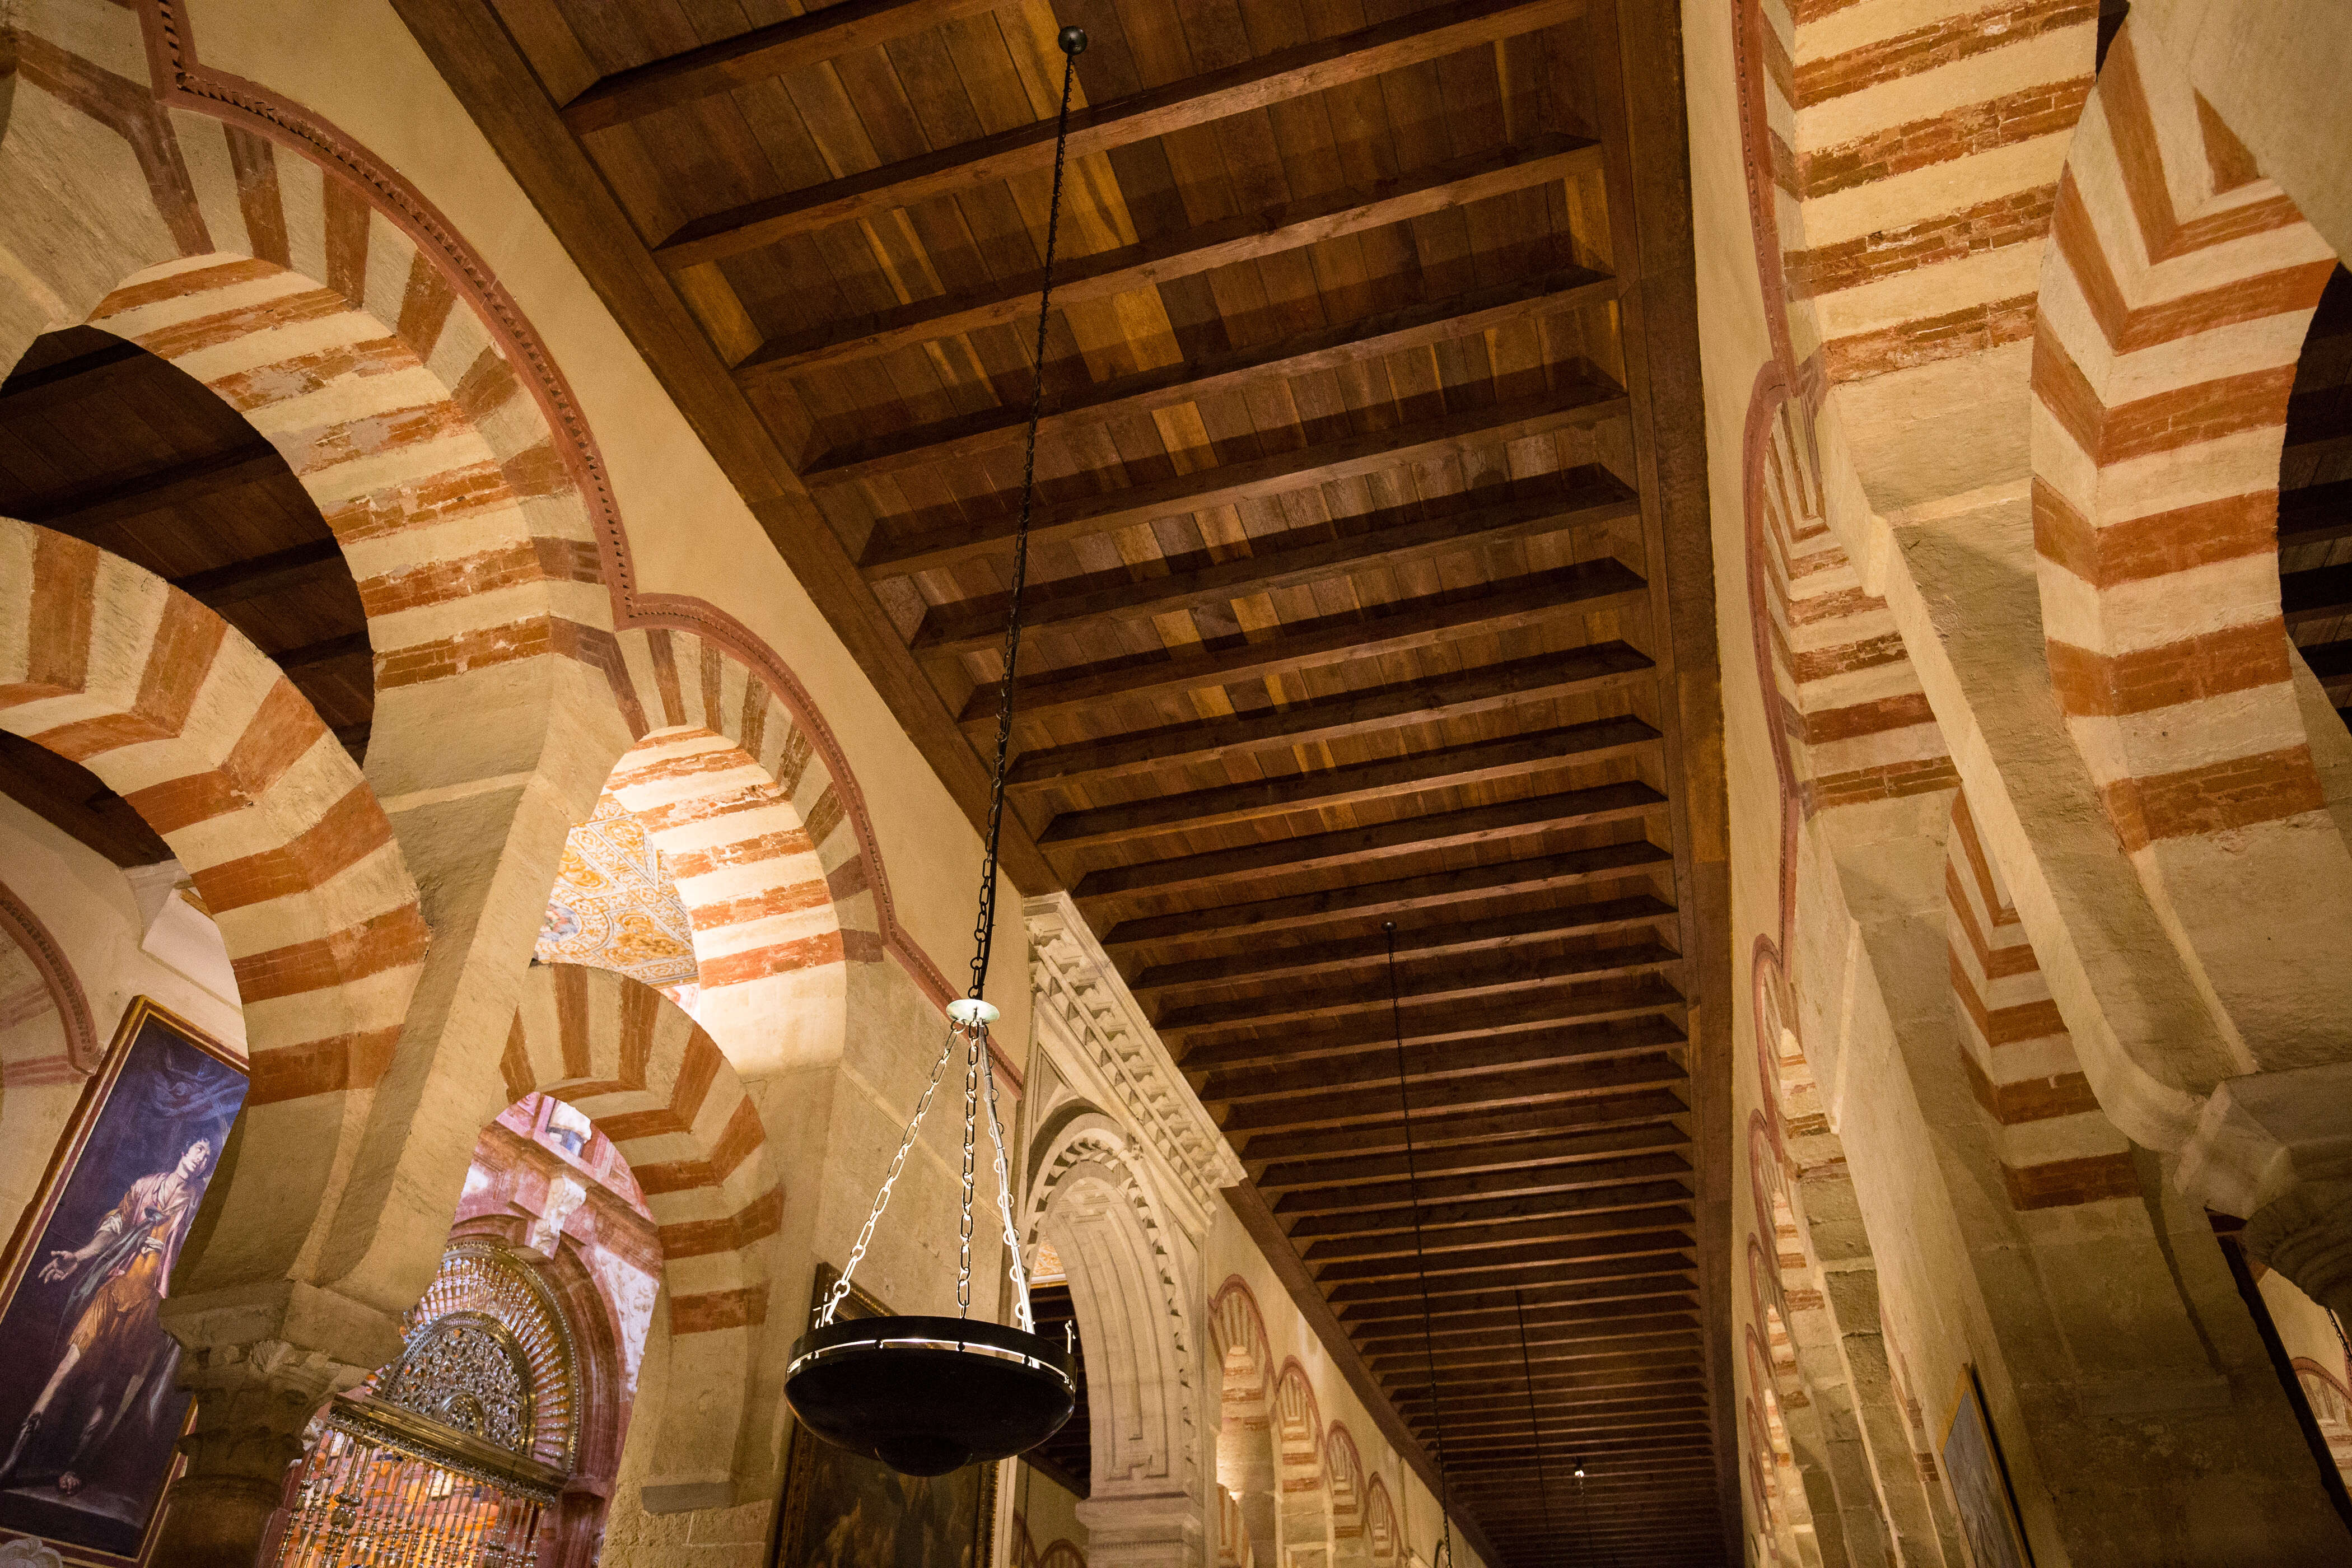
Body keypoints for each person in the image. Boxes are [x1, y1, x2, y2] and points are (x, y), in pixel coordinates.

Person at [0, 1137, 212, 1496]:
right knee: (68, 1365)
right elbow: (115, 1226)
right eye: (198, 1149)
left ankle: (78, 1465)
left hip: (151, 1302)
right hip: (116, 1288)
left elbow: (196, 1255)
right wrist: (79, 1256)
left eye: (208, 1156)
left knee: (116, 1384)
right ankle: (17, 1452)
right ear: (185, 1152)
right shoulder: (146, 1186)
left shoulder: (197, 1204)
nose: (201, 1158)